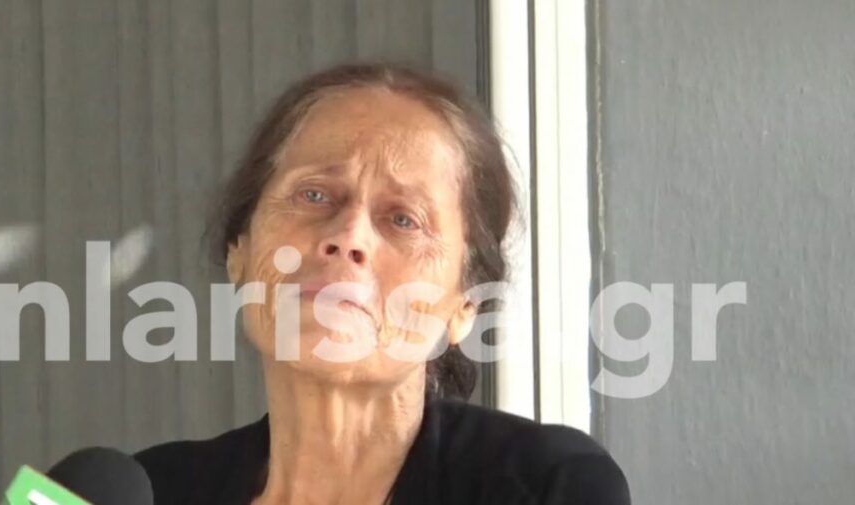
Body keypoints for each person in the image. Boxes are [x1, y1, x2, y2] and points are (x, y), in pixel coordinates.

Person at [135, 63, 630, 505]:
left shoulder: (542, 486)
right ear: (239, 253)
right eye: (314, 195)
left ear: (465, 305)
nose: (348, 237)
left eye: (403, 220)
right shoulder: (148, 492)